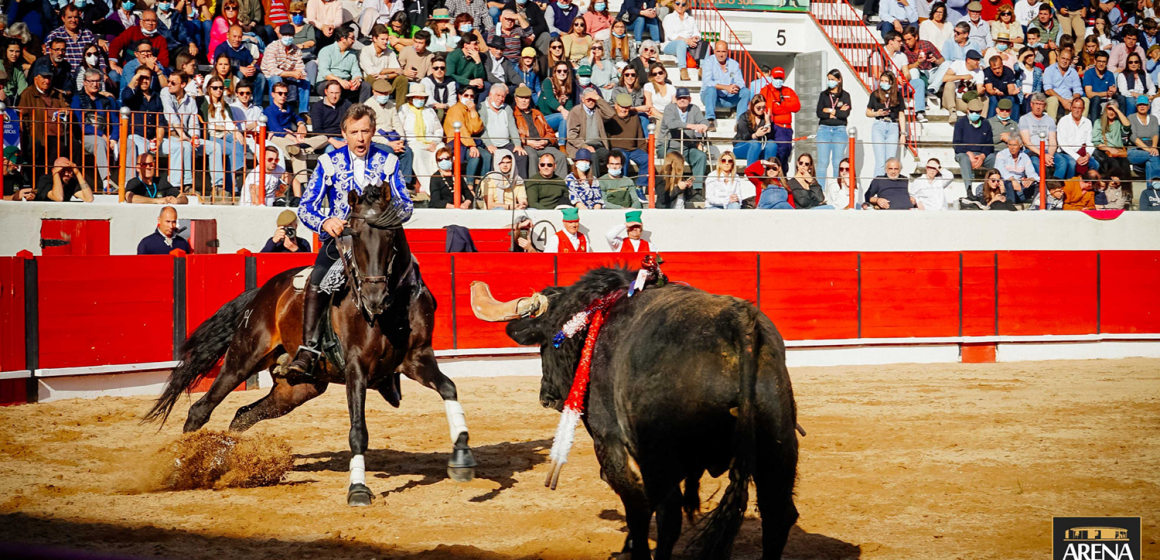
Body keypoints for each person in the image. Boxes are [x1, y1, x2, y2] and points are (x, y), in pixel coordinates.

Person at [289, 104, 414, 379]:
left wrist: (386, 218)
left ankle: (403, 353)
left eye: (365, 131)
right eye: (354, 132)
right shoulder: (328, 163)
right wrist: (325, 222)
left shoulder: (389, 161)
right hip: (343, 241)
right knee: (318, 279)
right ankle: (309, 350)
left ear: (373, 132)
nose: (360, 138)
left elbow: (406, 204)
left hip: (378, 242)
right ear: (344, 133)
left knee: (410, 279)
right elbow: (305, 207)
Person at [71, 68, 121, 193]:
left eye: (98, 81)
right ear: (84, 82)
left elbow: (115, 121)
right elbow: (80, 124)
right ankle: (106, 181)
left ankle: (128, 183)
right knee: (99, 141)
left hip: (105, 136)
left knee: (130, 144)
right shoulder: (77, 99)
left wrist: (114, 138)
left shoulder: (106, 100)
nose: (95, 84)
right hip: (85, 136)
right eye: (91, 81)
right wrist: (102, 135)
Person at [201, 75, 248, 195]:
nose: (218, 90)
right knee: (231, 149)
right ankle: (236, 178)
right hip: (211, 135)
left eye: (221, 88)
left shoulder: (224, 105)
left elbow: (229, 123)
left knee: (237, 140)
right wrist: (224, 128)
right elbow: (210, 125)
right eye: (215, 88)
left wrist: (237, 132)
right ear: (209, 89)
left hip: (223, 133)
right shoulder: (204, 101)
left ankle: (237, 174)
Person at [659, 87, 709, 197]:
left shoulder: (694, 109)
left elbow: (703, 120)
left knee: (701, 156)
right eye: (680, 98)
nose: (682, 100)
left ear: (689, 99)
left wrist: (704, 125)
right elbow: (671, 124)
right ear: (675, 99)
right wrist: (692, 126)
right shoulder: (669, 108)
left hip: (687, 147)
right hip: (669, 146)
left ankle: (696, 190)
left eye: (685, 98)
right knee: (676, 160)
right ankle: (673, 190)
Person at [514, 85, 566, 179]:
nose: (524, 100)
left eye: (526, 98)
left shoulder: (537, 113)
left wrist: (546, 141)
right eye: (521, 98)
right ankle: (534, 185)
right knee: (532, 156)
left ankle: (559, 186)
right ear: (516, 98)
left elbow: (550, 132)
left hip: (543, 145)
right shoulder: (513, 114)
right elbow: (513, 134)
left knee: (561, 156)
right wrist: (527, 142)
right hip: (526, 145)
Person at [159, 72, 198, 191]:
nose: (169, 84)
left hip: (185, 135)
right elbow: (170, 114)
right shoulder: (165, 92)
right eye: (168, 81)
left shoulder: (190, 101)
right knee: (184, 146)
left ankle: (219, 185)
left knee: (215, 147)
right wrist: (182, 134)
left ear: (183, 84)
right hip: (168, 135)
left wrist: (195, 136)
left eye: (173, 83)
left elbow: (194, 122)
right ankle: (182, 184)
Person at [264, 81, 311, 180]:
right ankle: (303, 184)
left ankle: (301, 146)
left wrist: (301, 124)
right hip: (277, 137)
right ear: (273, 95)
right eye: (280, 93)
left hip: (291, 138)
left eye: (285, 93)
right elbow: (277, 129)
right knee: (299, 152)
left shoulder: (288, 108)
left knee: (324, 138)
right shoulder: (269, 110)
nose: (283, 96)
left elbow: (297, 118)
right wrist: (294, 138)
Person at [397, 82, 442, 186]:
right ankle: (428, 185)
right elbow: (400, 129)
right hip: (413, 142)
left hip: (431, 141)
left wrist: (435, 142)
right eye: (417, 98)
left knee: (441, 150)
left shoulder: (429, 111)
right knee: (418, 153)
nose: (420, 100)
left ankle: (442, 183)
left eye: (422, 98)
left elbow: (438, 130)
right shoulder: (404, 109)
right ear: (410, 98)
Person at [479, 82, 528, 177]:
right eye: (498, 95)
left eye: (503, 96)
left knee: (522, 156)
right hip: (490, 144)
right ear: (490, 94)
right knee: (494, 159)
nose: (500, 99)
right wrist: (489, 145)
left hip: (506, 144)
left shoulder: (507, 108)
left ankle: (521, 185)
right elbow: (482, 129)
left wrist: (517, 145)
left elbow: (512, 127)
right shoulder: (482, 107)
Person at [263, 23, 313, 115]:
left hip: (289, 76)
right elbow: (272, 70)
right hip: (271, 76)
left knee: (305, 80)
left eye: (290, 35)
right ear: (280, 35)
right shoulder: (272, 47)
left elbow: (300, 67)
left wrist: (300, 74)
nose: (287, 37)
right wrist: (292, 74)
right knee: (276, 79)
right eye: (285, 35)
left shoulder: (296, 50)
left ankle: (303, 112)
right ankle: (275, 109)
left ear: (293, 36)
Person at [605, 93, 649, 195]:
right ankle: (623, 187)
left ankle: (639, 187)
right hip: (617, 148)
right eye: (621, 107)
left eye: (626, 107)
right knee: (623, 157)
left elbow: (640, 136)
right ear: (616, 106)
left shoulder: (634, 117)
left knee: (647, 159)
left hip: (633, 149)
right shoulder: (610, 117)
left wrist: (642, 151)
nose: (624, 110)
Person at [701, 40, 751, 129]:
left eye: (723, 51)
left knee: (746, 92)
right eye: (718, 51)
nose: (721, 54)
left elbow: (740, 82)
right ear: (714, 51)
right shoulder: (708, 62)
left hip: (729, 97)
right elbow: (707, 81)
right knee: (711, 89)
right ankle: (710, 120)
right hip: (712, 98)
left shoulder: (734, 64)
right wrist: (726, 87)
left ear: (727, 52)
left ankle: (740, 123)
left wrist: (735, 87)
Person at [444, 88, 490, 184]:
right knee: (474, 156)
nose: (469, 98)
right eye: (466, 95)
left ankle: (483, 184)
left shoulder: (470, 109)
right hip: (456, 141)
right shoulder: (455, 109)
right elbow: (462, 130)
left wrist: (473, 111)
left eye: (471, 96)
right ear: (460, 96)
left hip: (469, 140)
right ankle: (470, 184)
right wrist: (472, 146)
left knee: (487, 156)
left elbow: (476, 128)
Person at [566, 86, 615, 174]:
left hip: (599, 146)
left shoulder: (598, 110)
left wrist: (598, 98)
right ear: (582, 99)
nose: (591, 101)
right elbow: (571, 134)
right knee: (593, 155)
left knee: (611, 156)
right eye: (588, 99)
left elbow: (611, 114)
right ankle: (594, 183)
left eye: (593, 99)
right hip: (581, 146)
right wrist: (585, 146)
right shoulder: (576, 111)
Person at [867, 71, 907, 178]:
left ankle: (890, 187)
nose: (883, 83)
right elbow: (868, 112)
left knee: (891, 160)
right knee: (880, 161)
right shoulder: (875, 94)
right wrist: (877, 113)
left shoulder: (897, 95)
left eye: (886, 81)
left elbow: (901, 114)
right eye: (882, 81)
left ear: (891, 82)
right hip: (879, 124)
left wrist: (903, 133)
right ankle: (877, 187)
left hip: (893, 126)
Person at [954, 97, 996, 198]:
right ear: (967, 110)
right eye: (972, 111)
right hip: (964, 153)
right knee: (964, 159)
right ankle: (968, 190)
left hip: (981, 155)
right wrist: (969, 154)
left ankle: (998, 187)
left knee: (996, 158)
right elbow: (956, 144)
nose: (975, 114)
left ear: (981, 111)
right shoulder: (960, 122)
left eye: (977, 112)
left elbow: (989, 144)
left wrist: (982, 156)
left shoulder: (986, 123)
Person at [760, 66, 800, 168]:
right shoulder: (766, 90)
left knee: (786, 153)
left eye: (780, 78)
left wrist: (781, 106)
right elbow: (769, 109)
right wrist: (786, 108)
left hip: (787, 129)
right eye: (776, 78)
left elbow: (796, 107)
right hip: (775, 127)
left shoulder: (788, 91)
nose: (778, 80)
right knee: (778, 154)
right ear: (772, 77)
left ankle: (783, 178)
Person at [815, 70, 851, 182]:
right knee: (822, 162)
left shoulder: (845, 95)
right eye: (829, 79)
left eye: (833, 79)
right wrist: (837, 112)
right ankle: (820, 191)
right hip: (824, 130)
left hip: (839, 130)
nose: (830, 82)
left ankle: (836, 189)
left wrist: (830, 111)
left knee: (837, 163)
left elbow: (845, 114)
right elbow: (819, 113)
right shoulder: (823, 95)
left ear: (839, 80)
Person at [316, 24, 367, 102]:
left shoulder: (352, 54)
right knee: (335, 86)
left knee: (365, 86)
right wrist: (339, 81)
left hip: (345, 82)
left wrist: (357, 79)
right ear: (343, 38)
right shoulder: (326, 50)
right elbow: (325, 72)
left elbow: (356, 71)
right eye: (352, 38)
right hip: (326, 82)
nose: (354, 41)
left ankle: (362, 111)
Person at [361, 24, 407, 105]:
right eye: (382, 39)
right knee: (371, 77)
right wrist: (393, 70)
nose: (385, 42)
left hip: (387, 81)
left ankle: (400, 108)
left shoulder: (390, 52)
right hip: (373, 82)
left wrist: (385, 76)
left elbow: (398, 71)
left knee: (402, 79)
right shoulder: (365, 51)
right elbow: (372, 71)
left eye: (386, 39)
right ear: (374, 39)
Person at [1019, 93, 1061, 180]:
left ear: (1044, 106)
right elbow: (1027, 142)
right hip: (1031, 151)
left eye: (1041, 104)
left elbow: (1052, 141)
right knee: (1036, 163)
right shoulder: (1024, 119)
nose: (1038, 107)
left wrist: (1049, 155)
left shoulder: (1050, 120)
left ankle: (1055, 187)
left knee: (1063, 163)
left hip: (1047, 151)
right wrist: (1043, 155)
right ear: (1031, 104)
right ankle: (1042, 189)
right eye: (1036, 104)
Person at [1056, 96, 1099, 179]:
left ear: (1083, 109)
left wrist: (1087, 155)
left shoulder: (1087, 122)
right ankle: (1069, 186)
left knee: (1095, 164)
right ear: (1071, 108)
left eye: (1079, 108)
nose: (1076, 110)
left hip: (1082, 152)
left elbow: (1089, 142)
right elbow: (1062, 143)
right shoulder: (1063, 121)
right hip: (1066, 153)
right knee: (1072, 164)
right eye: (1075, 107)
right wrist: (1077, 157)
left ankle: (1088, 186)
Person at [941, 48, 986, 121]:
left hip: (965, 101)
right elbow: (945, 78)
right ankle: (952, 112)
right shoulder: (958, 64)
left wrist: (981, 91)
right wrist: (963, 77)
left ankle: (982, 122)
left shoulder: (979, 72)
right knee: (949, 84)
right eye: (976, 60)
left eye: (979, 60)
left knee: (985, 99)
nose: (978, 62)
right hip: (953, 99)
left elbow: (979, 88)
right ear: (968, 60)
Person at [1093, 101, 1132, 182]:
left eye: (1113, 110)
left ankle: (1126, 190)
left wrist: (1117, 110)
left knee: (1125, 165)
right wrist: (1110, 149)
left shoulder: (1118, 122)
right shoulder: (1098, 122)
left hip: (1118, 151)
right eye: (1109, 109)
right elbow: (1096, 142)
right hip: (1105, 151)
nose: (1111, 112)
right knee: (1114, 164)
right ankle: (1113, 186)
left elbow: (1127, 125)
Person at [539, 60, 577, 142]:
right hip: (543, 118)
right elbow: (550, 100)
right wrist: (562, 110)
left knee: (570, 118)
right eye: (559, 71)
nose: (562, 73)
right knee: (562, 117)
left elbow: (569, 106)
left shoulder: (569, 86)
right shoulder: (548, 82)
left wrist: (569, 114)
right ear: (554, 72)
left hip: (559, 117)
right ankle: (561, 144)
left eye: (565, 71)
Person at [1128, 94, 1160, 191]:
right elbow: (1133, 136)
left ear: (1148, 106)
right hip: (1135, 150)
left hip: (1151, 148)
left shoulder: (1153, 118)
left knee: (1149, 164)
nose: (1142, 106)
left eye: (1145, 105)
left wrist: (1154, 147)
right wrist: (1148, 149)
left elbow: (1155, 133)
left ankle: (1151, 191)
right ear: (1136, 106)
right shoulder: (1131, 117)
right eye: (1140, 104)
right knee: (1153, 156)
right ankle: (1158, 184)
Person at [661, 0, 699, 81]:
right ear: (674, 4)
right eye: (678, 3)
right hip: (671, 44)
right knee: (681, 43)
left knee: (705, 44)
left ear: (686, 5)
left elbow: (697, 32)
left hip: (688, 42)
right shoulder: (669, 18)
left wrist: (695, 38)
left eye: (683, 4)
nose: (680, 6)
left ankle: (702, 70)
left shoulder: (690, 19)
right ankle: (683, 69)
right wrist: (686, 40)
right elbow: (671, 35)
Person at [994, 135, 1039, 203]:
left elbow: (1031, 172)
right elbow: (1000, 170)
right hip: (1005, 184)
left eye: (1014, 145)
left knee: (1038, 183)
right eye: (1010, 145)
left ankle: (1035, 206)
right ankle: (1012, 206)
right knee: (1009, 183)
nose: (1012, 148)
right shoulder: (1001, 154)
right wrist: (1012, 179)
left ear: (1020, 145)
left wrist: (1031, 178)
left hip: (1020, 186)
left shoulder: (1024, 157)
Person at [1043, 46, 1083, 119]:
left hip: (1069, 99)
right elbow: (1048, 90)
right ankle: (1052, 127)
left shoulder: (1073, 72)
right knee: (1053, 100)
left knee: (1085, 101)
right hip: (1054, 98)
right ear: (1058, 58)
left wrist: (1073, 100)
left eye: (1067, 59)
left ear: (1070, 61)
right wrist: (1063, 101)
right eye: (1063, 58)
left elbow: (1078, 90)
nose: (1065, 61)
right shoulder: (1049, 70)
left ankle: (1079, 126)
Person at [422, 53, 458, 122]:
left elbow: (453, 102)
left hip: (448, 109)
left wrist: (445, 106)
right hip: (429, 110)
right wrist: (444, 106)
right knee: (440, 112)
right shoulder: (426, 81)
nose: (439, 70)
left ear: (445, 70)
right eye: (436, 68)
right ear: (432, 69)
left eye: (442, 68)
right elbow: (430, 102)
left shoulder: (451, 82)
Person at [983, 53, 1020, 119]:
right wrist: (995, 92)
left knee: (1014, 99)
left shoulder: (1008, 71)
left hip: (1006, 95)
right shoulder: (987, 72)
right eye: (994, 69)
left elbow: (1010, 89)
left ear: (1002, 65)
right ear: (991, 68)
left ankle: (1015, 123)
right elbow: (989, 89)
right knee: (993, 99)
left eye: (999, 68)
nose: (997, 71)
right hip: (993, 95)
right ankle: (990, 123)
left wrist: (1013, 92)